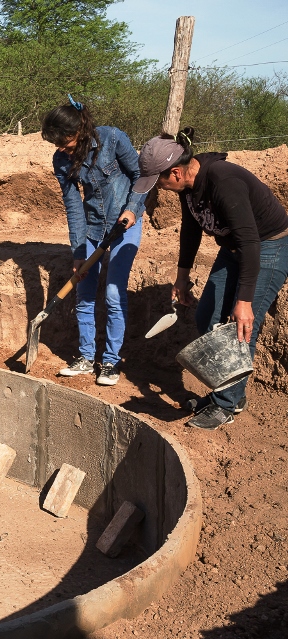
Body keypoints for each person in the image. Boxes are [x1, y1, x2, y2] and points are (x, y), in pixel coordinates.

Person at [135, 127, 288, 430]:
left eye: (160, 182)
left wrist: (244, 301)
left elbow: (250, 242)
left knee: (241, 327)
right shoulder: (189, 187)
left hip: (268, 247)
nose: (160, 189)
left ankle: (227, 404)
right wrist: (182, 276)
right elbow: (191, 230)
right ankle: (227, 393)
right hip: (232, 250)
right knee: (207, 317)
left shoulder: (223, 180)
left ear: (176, 173)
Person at [41, 96, 146, 386]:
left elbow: (141, 176)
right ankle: (86, 357)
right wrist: (78, 251)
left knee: (113, 293)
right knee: (83, 290)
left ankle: (111, 361)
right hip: (93, 228)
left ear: (80, 130)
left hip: (126, 223)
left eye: (65, 141)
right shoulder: (61, 159)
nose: (61, 149)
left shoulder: (113, 138)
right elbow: (73, 204)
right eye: (57, 144)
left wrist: (133, 208)